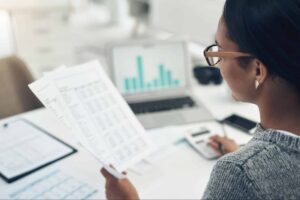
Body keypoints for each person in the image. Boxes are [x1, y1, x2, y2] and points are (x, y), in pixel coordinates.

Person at [101, 0, 300, 199]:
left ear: (257, 70)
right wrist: (250, 155)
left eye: (220, 52)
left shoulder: (238, 173)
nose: (217, 64)